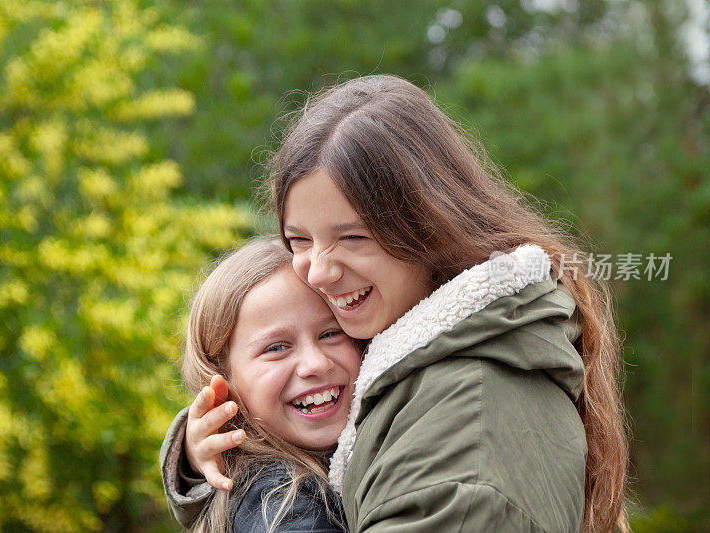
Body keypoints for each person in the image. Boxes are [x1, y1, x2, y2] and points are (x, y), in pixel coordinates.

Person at [167, 75, 629, 532]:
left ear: (430, 223)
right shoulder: (399, 353)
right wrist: (208, 453)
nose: (318, 271)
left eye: (353, 236)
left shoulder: (466, 427)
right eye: (298, 239)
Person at [161, 237, 361, 532]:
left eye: (331, 333)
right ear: (222, 382)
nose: (315, 364)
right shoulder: (279, 501)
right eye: (277, 348)